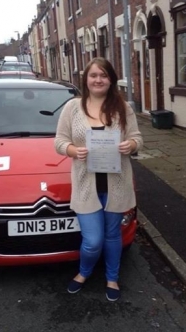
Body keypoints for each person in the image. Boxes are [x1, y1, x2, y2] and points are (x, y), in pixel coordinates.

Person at [54, 57, 143, 302]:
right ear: (86, 80)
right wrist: (73, 150)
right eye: (93, 75)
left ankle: (112, 277)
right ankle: (84, 272)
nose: (98, 80)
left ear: (111, 80)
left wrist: (131, 145)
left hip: (116, 183)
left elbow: (138, 138)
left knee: (113, 235)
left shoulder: (123, 108)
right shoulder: (73, 107)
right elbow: (59, 141)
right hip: (86, 184)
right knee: (92, 240)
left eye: (103, 75)